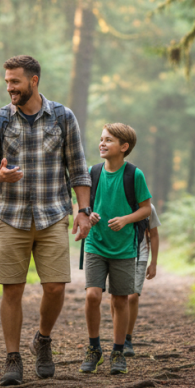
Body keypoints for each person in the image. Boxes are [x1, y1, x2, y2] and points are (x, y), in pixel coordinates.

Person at [0, 55, 91, 386]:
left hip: (53, 212)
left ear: (34, 81)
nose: (10, 88)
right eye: (7, 82)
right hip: (10, 215)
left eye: (15, 81)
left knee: (55, 287)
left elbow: (78, 168)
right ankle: (13, 357)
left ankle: (42, 339)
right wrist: (0, 174)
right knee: (12, 289)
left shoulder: (62, 117)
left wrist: (83, 211)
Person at [80, 123, 151, 375]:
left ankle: (118, 351)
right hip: (96, 244)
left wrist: (126, 219)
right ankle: (93, 348)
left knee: (120, 300)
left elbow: (146, 209)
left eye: (108, 140)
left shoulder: (134, 175)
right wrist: (91, 215)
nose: (102, 143)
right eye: (101, 139)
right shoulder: (92, 172)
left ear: (124, 147)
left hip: (124, 248)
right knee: (92, 296)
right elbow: (84, 205)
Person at [110, 204, 160, 357]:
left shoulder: (148, 208)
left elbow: (154, 234)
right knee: (117, 296)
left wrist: (153, 263)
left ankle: (127, 338)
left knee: (132, 296)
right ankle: (118, 337)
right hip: (117, 254)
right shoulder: (116, 202)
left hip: (140, 255)